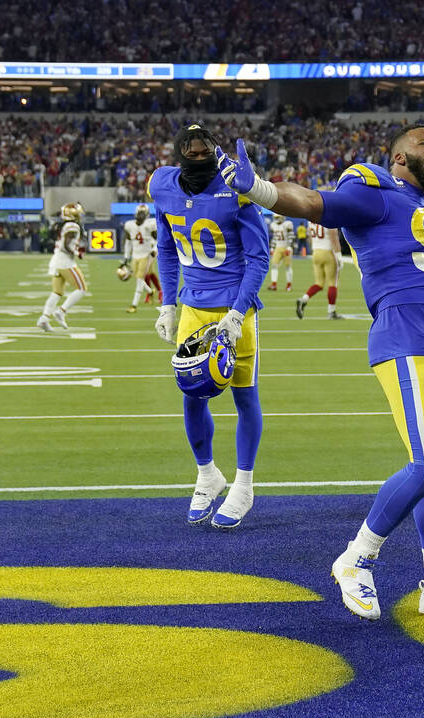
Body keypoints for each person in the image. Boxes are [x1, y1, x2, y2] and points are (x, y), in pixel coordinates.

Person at [217, 125, 424, 620]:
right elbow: (309, 201)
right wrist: (257, 188)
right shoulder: (374, 190)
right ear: (396, 158)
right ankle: (356, 557)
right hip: (408, 338)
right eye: (423, 142)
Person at [149, 124, 269, 528]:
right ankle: (206, 474)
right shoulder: (162, 185)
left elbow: (259, 259)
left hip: (236, 309)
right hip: (192, 309)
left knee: (244, 397)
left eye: (205, 151)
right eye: (191, 150)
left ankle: (244, 485)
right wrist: (167, 303)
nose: (198, 156)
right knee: (191, 393)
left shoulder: (235, 187)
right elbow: (166, 247)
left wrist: (237, 313)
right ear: (179, 152)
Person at [37, 202, 88, 331]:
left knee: (57, 292)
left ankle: (44, 318)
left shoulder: (64, 225)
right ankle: (61, 311)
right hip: (65, 261)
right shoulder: (72, 226)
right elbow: (66, 246)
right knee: (81, 288)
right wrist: (78, 253)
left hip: (57, 260)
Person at [296, 221, 345, 319]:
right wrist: (339, 255)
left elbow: (309, 238)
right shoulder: (329, 216)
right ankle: (331, 311)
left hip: (316, 252)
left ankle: (304, 299)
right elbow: (334, 238)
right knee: (332, 283)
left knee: (319, 283)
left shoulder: (310, 220)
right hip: (327, 252)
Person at [122, 203, 159, 312]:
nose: (141, 216)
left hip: (146, 255)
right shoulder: (129, 225)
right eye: (139, 213)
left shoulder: (150, 224)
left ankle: (134, 305)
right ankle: (150, 291)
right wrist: (125, 258)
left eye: (143, 214)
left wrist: (154, 250)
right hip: (135, 255)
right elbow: (128, 243)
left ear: (147, 215)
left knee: (139, 279)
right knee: (136, 277)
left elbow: (158, 239)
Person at [267, 213, 295, 291]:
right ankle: (274, 284)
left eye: (278, 217)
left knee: (288, 266)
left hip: (286, 247)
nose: (276, 219)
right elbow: (275, 238)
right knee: (274, 265)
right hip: (278, 247)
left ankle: (289, 285)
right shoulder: (274, 225)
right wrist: (272, 248)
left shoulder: (287, 224)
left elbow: (291, 236)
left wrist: (289, 247)